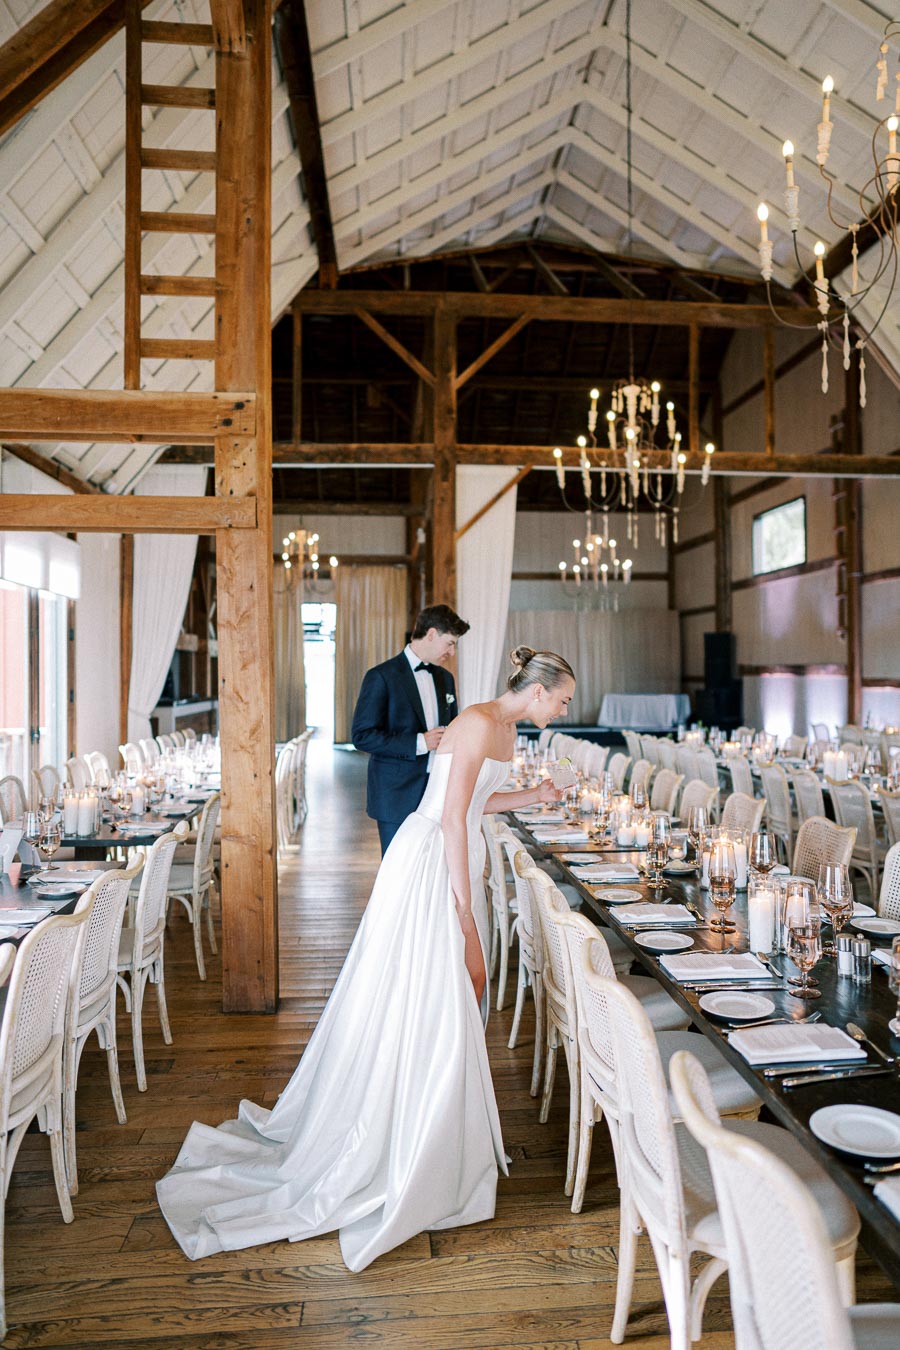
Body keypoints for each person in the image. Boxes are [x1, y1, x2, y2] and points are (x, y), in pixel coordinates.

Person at [156, 646, 576, 1273]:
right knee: (439, 988)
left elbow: (475, 803)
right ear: (538, 691)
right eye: (563, 699)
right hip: (433, 863)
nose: (566, 709)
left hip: (454, 856)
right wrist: (465, 915)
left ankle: (438, 1143)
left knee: (447, 997)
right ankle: (406, 1143)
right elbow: (451, 819)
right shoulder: (479, 722)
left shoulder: (505, 726)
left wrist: (536, 793)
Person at [351, 603, 470, 854]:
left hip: (438, 791)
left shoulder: (445, 678)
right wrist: (420, 742)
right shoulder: (381, 676)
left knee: (432, 868)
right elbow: (362, 736)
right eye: (450, 643)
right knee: (398, 870)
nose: (452, 651)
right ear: (431, 634)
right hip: (396, 794)